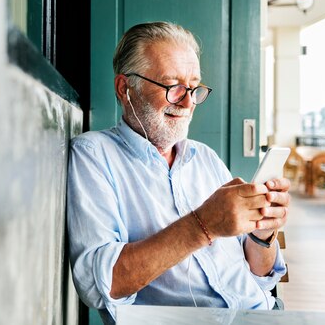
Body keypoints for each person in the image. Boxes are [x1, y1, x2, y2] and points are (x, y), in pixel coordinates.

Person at [67, 22, 289, 324]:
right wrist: (203, 225)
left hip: (261, 313)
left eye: (194, 88)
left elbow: (262, 276)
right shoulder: (94, 155)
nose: (187, 103)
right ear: (125, 88)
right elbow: (99, 287)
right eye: (173, 87)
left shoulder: (204, 157)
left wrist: (262, 235)